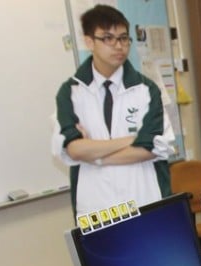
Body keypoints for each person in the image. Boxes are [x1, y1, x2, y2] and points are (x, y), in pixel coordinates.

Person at [52, 4, 174, 217]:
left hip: (144, 198)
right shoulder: (70, 92)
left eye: (124, 38)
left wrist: (95, 155)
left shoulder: (147, 89)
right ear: (89, 41)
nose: (119, 46)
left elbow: (151, 148)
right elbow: (74, 150)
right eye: (108, 38)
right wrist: (132, 139)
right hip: (96, 206)